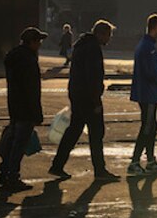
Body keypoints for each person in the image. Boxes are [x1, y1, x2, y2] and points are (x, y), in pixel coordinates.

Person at [51, 20, 120, 181]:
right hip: (88, 97)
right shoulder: (93, 48)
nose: (109, 38)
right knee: (96, 133)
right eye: (108, 35)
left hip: (77, 94)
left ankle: (57, 165)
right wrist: (96, 101)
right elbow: (93, 77)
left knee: (74, 130)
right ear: (101, 33)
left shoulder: (81, 45)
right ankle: (100, 170)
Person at [0, 27, 47, 190]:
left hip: (15, 106)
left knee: (12, 142)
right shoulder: (28, 60)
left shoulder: (14, 57)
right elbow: (32, 90)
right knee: (19, 145)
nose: (40, 44)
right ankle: (13, 177)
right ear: (32, 42)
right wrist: (37, 114)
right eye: (38, 41)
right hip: (26, 109)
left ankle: (4, 173)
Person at [129, 14, 157, 176]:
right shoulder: (149, 47)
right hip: (149, 94)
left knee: (151, 127)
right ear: (155, 28)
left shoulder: (144, 45)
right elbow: (153, 73)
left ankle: (150, 160)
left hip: (145, 93)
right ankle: (135, 161)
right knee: (147, 128)